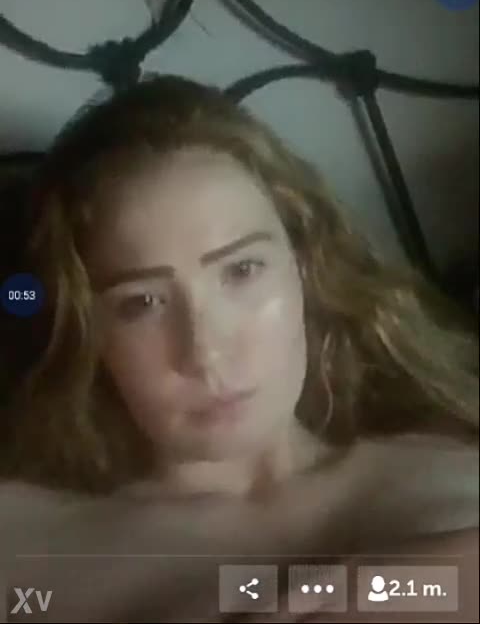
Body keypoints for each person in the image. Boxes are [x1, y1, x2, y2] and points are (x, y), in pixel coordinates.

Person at [0, 75, 478, 622]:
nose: (206, 352)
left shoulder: (455, 465)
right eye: (143, 302)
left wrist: (392, 584)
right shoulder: (27, 542)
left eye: (242, 270)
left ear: (306, 268)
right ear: (85, 329)